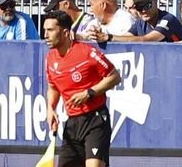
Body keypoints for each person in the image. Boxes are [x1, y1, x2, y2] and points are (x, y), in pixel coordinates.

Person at [42, 9, 122, 167]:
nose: (45, 35)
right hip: (72, 123)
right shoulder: (50, 58)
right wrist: (50, 109)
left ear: (65, 32)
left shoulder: (88, 53)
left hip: (95, 120)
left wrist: (89, 93)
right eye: (45, 30)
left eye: (50, 30)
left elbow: (114, 77)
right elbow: (53, 87)